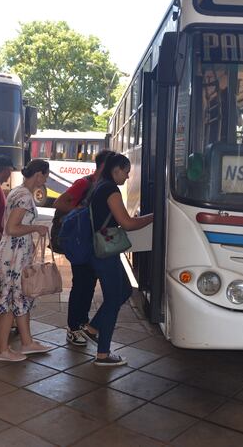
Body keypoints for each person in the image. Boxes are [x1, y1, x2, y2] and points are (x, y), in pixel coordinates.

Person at [83, 154, 153, 366]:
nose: (128, 174)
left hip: (100, 249)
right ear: (115, 170)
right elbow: (127, 223)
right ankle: (103, 354)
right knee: (114, 299)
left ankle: (93, 328)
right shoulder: (110, 189)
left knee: (123, 290)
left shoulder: (99, 185)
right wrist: (153, 217)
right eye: (126, 170)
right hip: (105, 252)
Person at [0, 159, 53, 361]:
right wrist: (36, 228)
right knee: (9, 301)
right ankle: (1, 350)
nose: (46, 179)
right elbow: (12, 228)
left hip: (13, 254)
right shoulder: (24, 197)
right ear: (39, 175)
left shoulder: (18, 191)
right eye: (46, 175)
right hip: (13, 257)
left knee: (19, 297)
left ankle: (27, 342)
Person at [53, 149, 115, 346]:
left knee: (88, 284)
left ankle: (82, 322)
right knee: (80, 284)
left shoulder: (102, 185)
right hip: (79, 242)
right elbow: (59, 202)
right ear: (105, 166)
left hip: (92, 243)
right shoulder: (85, 183)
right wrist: (81, 211)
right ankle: (73, 327)